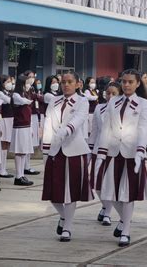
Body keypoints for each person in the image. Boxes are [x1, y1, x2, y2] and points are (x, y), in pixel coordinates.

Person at [97, 69, 147, 247]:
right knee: (108, 192)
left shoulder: (142, 103)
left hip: (132, 152)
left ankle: (126, 230)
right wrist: (101, 152)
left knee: (127, 194)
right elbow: (106, 128)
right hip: (113, 151)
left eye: (130, 82)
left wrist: (141, 151)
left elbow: (143, 128)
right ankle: (123, 220)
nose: (126, 85)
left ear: (137, 84)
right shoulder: (113, 102)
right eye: (124, 81)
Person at [42, 71, 94, 242]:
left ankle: (68, 227)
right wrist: (46, 150)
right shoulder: (53, 101)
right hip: (55, 150)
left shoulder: (82, 101)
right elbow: (48, 124)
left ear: (78, 84)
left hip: (74, 150)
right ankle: (64, 216)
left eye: (70, 81)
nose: (65, 85)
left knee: (70, 192)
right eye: (63, 81)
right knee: (52, 193)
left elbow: (78, 120)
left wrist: (65, 131)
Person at [89, 81, 122, 226]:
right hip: (98, 149)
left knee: (110, 184)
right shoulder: (99, 108)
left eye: (114, 93)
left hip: (114, 151)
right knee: (97, 184)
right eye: (108, 93)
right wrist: (90, 151)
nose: (110, 96)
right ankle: (104, 205)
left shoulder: (123, 109)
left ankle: (108, 212)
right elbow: (95, 130)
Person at [10, 74, 34, 186]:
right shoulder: (16, 95)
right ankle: (18, 176)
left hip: (26, 125)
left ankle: (22, 174)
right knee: (19, 151)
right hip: (20, 126)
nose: (28, 85)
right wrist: (28, 99)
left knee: (24, 151)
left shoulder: (25, 93)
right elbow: (25, 101)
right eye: (26, 83)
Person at [0, 75, 14, 178]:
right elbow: (8, 101)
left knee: (6, 144)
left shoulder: (10, 93)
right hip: (3, 119)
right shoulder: (0, 93)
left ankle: (3, 168)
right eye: (7, 82)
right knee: (2, 143)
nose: (9, 84)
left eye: (10, 82)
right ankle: (0, 169)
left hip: (10, 119)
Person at [24, 70, 42, 175]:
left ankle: (28, 165)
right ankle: (25, 167)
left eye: (33, 77)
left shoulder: (32, 88)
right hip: (27, 116)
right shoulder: (24, 89)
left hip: (34, 116)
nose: (32, 79)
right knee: (27, 142)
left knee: (31, 143)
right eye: (29, 77)